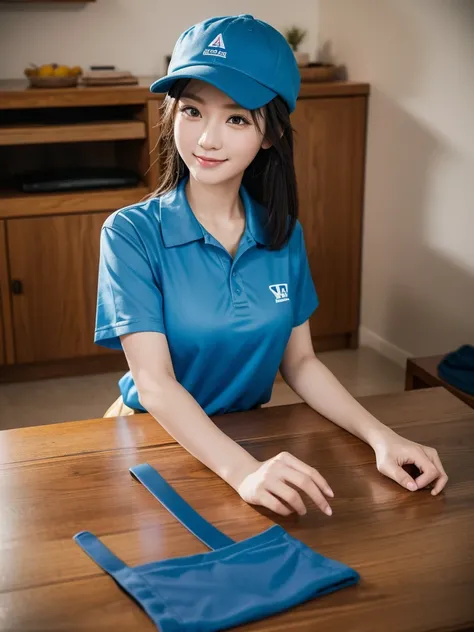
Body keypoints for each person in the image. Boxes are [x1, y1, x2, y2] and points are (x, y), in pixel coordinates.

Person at [96, 14, 448, 517]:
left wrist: (382, 438)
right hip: (154, 438)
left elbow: (300, 363)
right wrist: (242, 471)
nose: (206, 139)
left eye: (236, 118)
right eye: (192, 111)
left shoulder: (283, 234)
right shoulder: (130, 233)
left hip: (247, 437)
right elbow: (155, 383)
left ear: (269, 136)